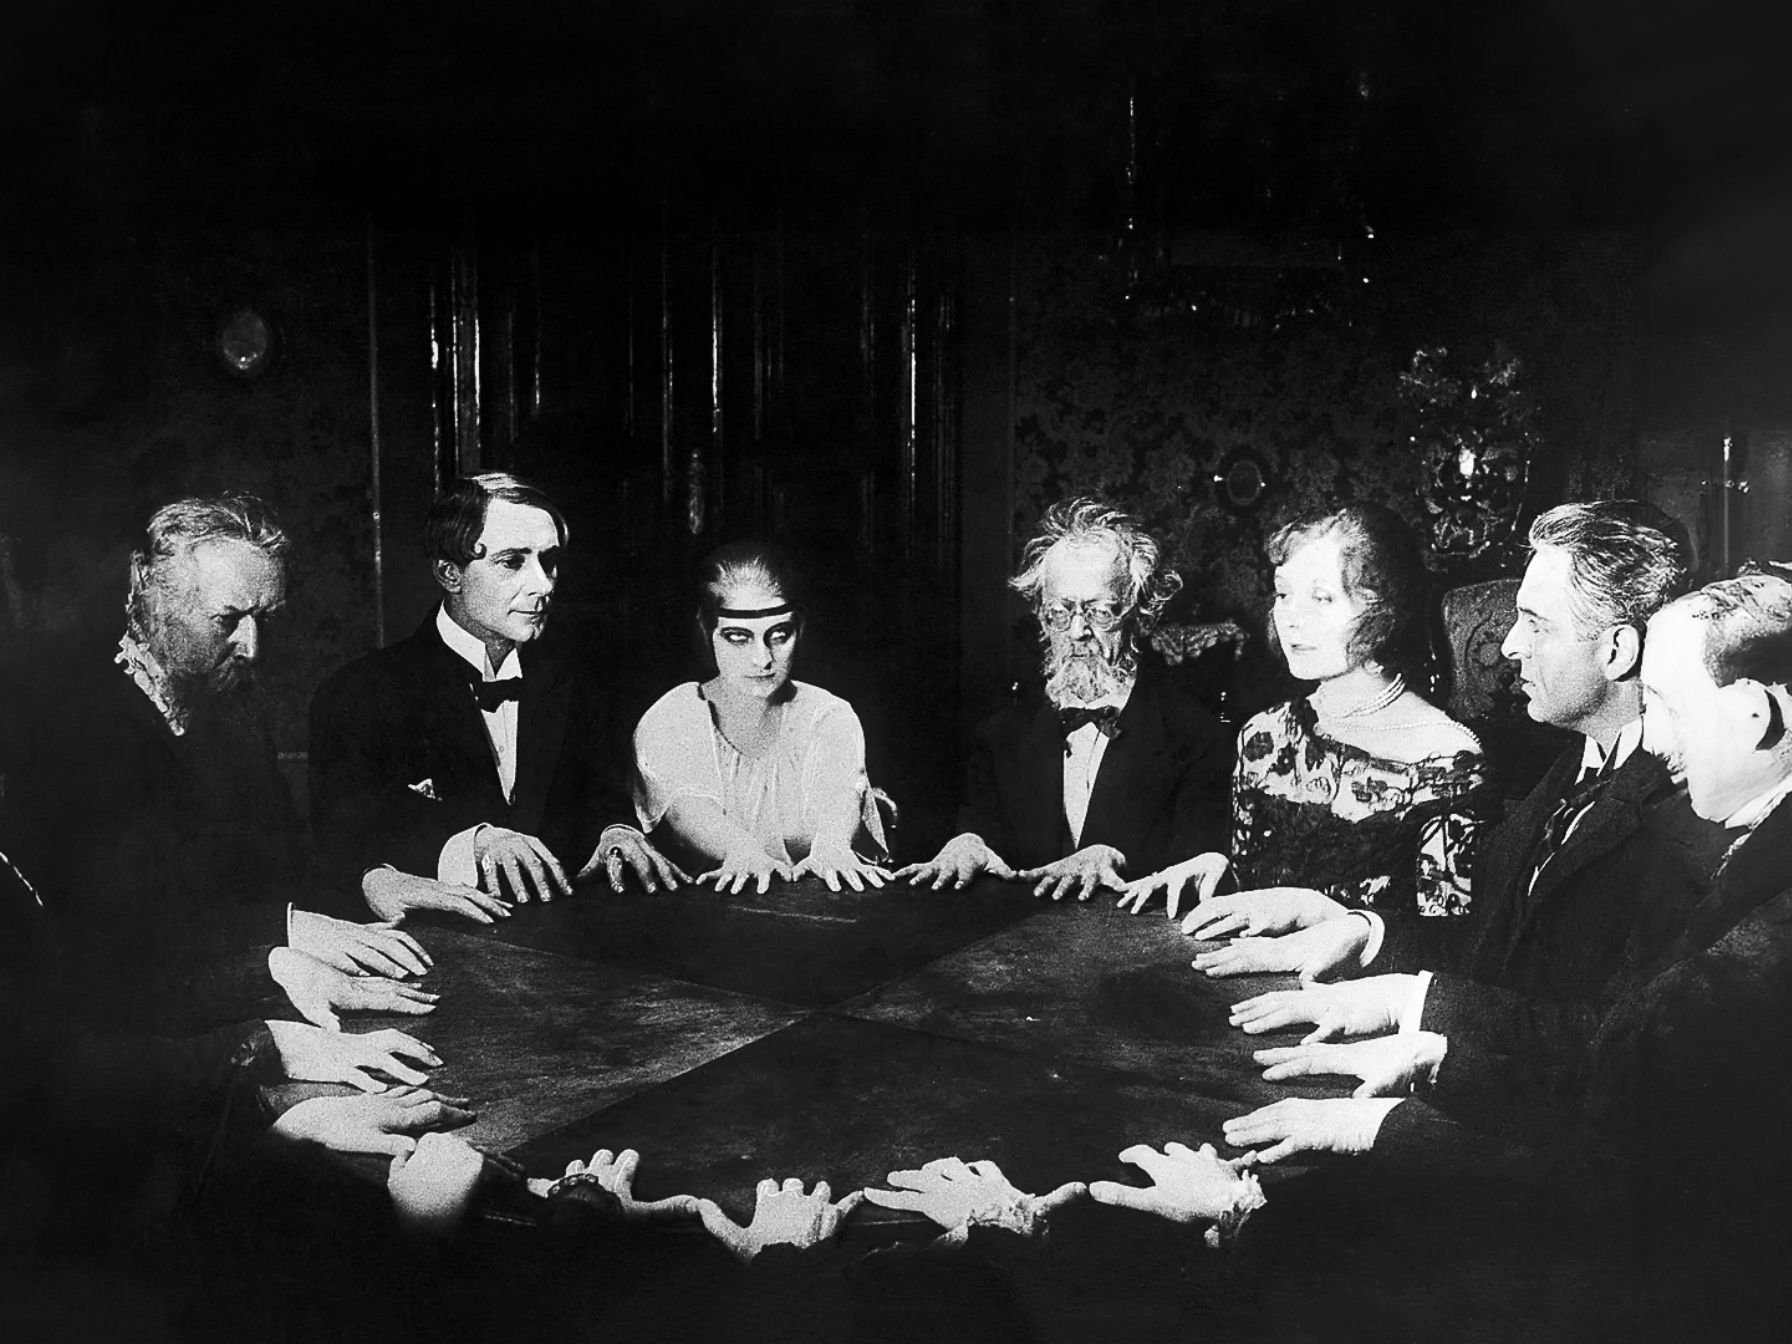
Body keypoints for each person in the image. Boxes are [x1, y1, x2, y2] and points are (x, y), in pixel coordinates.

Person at [1217, 573, 1792, 1339]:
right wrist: (1433, 1045)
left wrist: (1260, 1211)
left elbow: (1601, 1214)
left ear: (1754, 715)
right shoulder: (1743, 848)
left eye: (1673, 709)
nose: (1658, 741)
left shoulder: (1756, 944)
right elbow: (1621, 1083)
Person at [1221, 501, 1729, 1045]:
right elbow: (1487, 942)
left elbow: (1608, 1044)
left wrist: (1404, 1012)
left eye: (1535, 625)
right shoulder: (1571, 766)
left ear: (1617, 650)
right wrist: (1362, 931)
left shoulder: (1688, 816)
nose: (1509, 646)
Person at [6, 493, 434, 1033]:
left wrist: (369, 882)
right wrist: (288, 931)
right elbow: (112, 941)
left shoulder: (236, 706)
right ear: (152, 595)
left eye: (264, 619)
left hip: (251, 995)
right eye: (227, 619)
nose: (252, 647)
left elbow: (283, 863)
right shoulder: (71, 726)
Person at [1121, 503, 1488, 981]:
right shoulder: (1264, 735)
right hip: (1243, 984)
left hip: (1358, 1018)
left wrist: (1317, 912)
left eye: (1321, 598)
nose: (1291, 618)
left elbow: (1448, 952)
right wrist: (1217, 868)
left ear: (1385, 611)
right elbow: (1257, 881)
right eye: (1284, 594)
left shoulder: (1446, 758)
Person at [309, 473, 685, 919]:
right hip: (434, 940)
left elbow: (598, 790)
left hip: (568, 935)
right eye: (512, 562)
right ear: (450, 573)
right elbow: (348, 841)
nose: (544, 585)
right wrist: (476, 841)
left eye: (549, 561)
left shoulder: (576, 678)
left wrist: (614, 831)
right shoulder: (360, 693)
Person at [898, 497, 1231, 901]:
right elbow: (987, 833)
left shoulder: (1197, 737)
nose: (1076, 631)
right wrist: (968, 843)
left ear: (1141, 613)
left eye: (1100, 612)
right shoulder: (1001, 735)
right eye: (1059, 612)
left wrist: (1114, 857)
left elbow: (1200, 873)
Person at [631, 541, 892, 895]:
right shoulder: (673, 717)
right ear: (705, 631)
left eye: (779, 635)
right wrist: (743, 852)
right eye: (738, 638)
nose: (762, 659)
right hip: (696, 917)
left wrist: (832, 847)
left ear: (799, 627)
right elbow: (687, 811)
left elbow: (839, 796)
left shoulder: (828, 715)